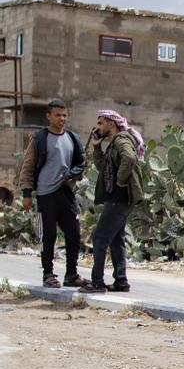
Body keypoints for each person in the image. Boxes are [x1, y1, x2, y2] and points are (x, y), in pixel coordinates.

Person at [17, 99, 86, 288]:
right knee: (48, 236)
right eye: (58, 115)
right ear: (48, 116)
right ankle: (48, 274)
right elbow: (28, 165)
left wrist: (72, 174)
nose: (62, 119)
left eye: (64, 115)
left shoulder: (72, 138)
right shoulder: (40, 138)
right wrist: (27, 193)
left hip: (66, 192)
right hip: (46, 194)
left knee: (74, 234)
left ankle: (71, 274)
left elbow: (81, 163)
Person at [79, 110, 145, 293]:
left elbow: (130, 158)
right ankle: (121, 281)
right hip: (116, 199)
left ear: (111, 123)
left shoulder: (121, 140)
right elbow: (102, 168)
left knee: (100, 238)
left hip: (119, 199)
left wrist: (120, 180)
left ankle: (97, 282)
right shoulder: (113, 144)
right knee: (116, 239)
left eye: (101, 123)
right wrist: (97, 147)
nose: (98, 127)